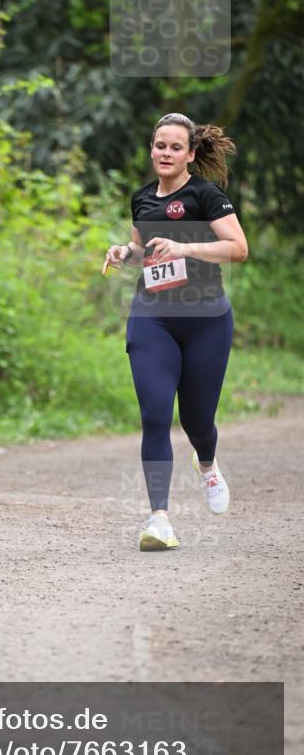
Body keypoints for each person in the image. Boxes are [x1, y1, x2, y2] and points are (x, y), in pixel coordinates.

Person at [102, 112, 249, 552]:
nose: (165, 153)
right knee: (155, 415)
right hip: (153, 315)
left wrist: (186, 247)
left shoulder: (206, 195)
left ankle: (206, 464)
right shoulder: (142, 198)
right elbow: (142, 247)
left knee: (197, 421)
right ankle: (159, 519)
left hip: (206, 320)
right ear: (152, 149)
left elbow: (238, 248)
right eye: (159, 145)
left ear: (190, 153)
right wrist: (123, 252)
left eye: (175, 147)